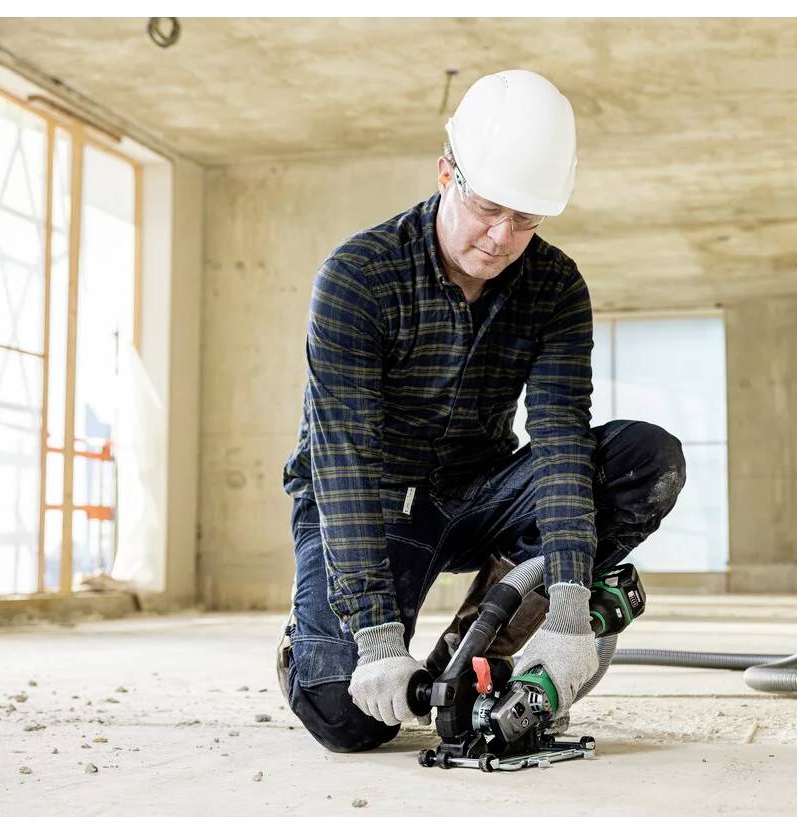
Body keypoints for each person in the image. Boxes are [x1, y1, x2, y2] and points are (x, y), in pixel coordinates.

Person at [276, 69, 686, 753]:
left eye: (525, 219)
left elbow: (560, 442)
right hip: (375, 500)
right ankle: (314, 647)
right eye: (488, 207)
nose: (501, 236)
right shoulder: (358, 277)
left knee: (647, 460)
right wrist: (376, 638)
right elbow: (341, 463)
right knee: (345, 715)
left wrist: (567, 611)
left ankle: (480, 641)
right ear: (447, 173)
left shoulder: (555, 287)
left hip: (479, 492)